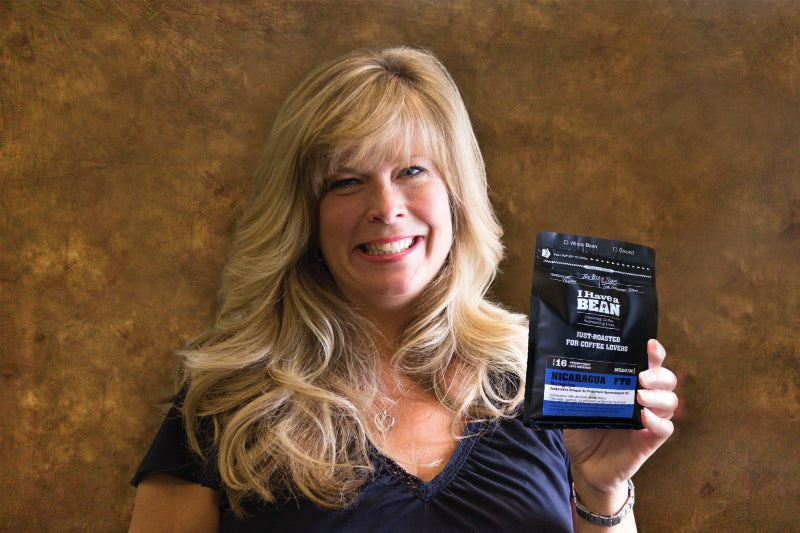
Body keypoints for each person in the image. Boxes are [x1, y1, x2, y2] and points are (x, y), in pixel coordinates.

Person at [128, 46, 678, 532]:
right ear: (304, 217)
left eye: (412, 171)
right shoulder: (226, 408)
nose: (387, 209)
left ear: (456, 195)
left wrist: (601, 491)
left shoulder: (540, 381)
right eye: (347, 181)